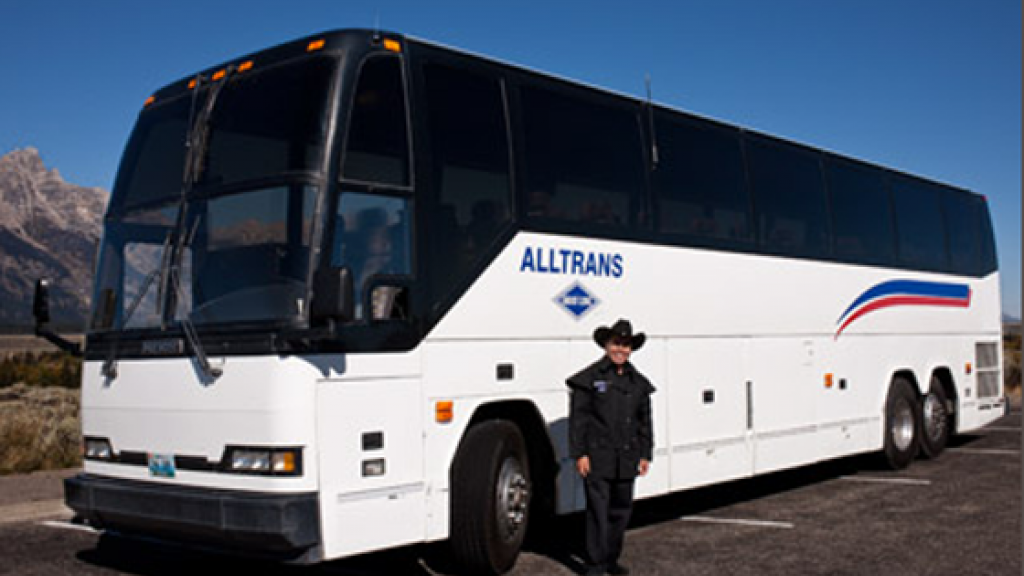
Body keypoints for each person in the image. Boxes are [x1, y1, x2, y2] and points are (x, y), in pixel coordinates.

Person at [567, 319, 655, 576]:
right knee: (597, 511)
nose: (621, 349)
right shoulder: (590, 378)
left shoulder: (637, 382)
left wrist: (645, 454)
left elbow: (644, 421)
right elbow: (579, 419)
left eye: (626, 345)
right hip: (597, 457)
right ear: (606, 345)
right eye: (616, 343)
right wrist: (579, 454)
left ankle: (610, 560)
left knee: (621, 512)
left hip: (627, 458)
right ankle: (594, 565)